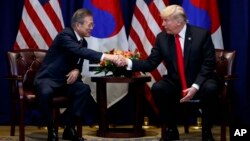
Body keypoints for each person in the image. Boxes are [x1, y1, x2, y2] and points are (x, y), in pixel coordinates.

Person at [123, 5, 220, 141]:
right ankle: (171, 129)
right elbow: (151, 63)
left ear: (179, 21)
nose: (162, 24)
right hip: (176, 81)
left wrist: (195, 86)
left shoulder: (201, 35)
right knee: (158, 88)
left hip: (201, 80)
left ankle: (206, 131)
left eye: (165, 20)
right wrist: (127, 62)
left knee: (211, 88)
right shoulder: (162, 38)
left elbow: (208, 64)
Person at [34, 8, 124, 141]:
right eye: (90, 24)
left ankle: (69, 127)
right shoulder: (65, 35)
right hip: (48, 78)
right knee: (46, 93)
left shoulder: (83, 41)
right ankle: (51, 128)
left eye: (92, 24)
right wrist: (109, 57)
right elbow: (79, 52)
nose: (92, 27)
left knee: (83, 89)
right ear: (78, 25)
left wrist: (77, 69)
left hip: (66, 81)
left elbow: (79, 59)